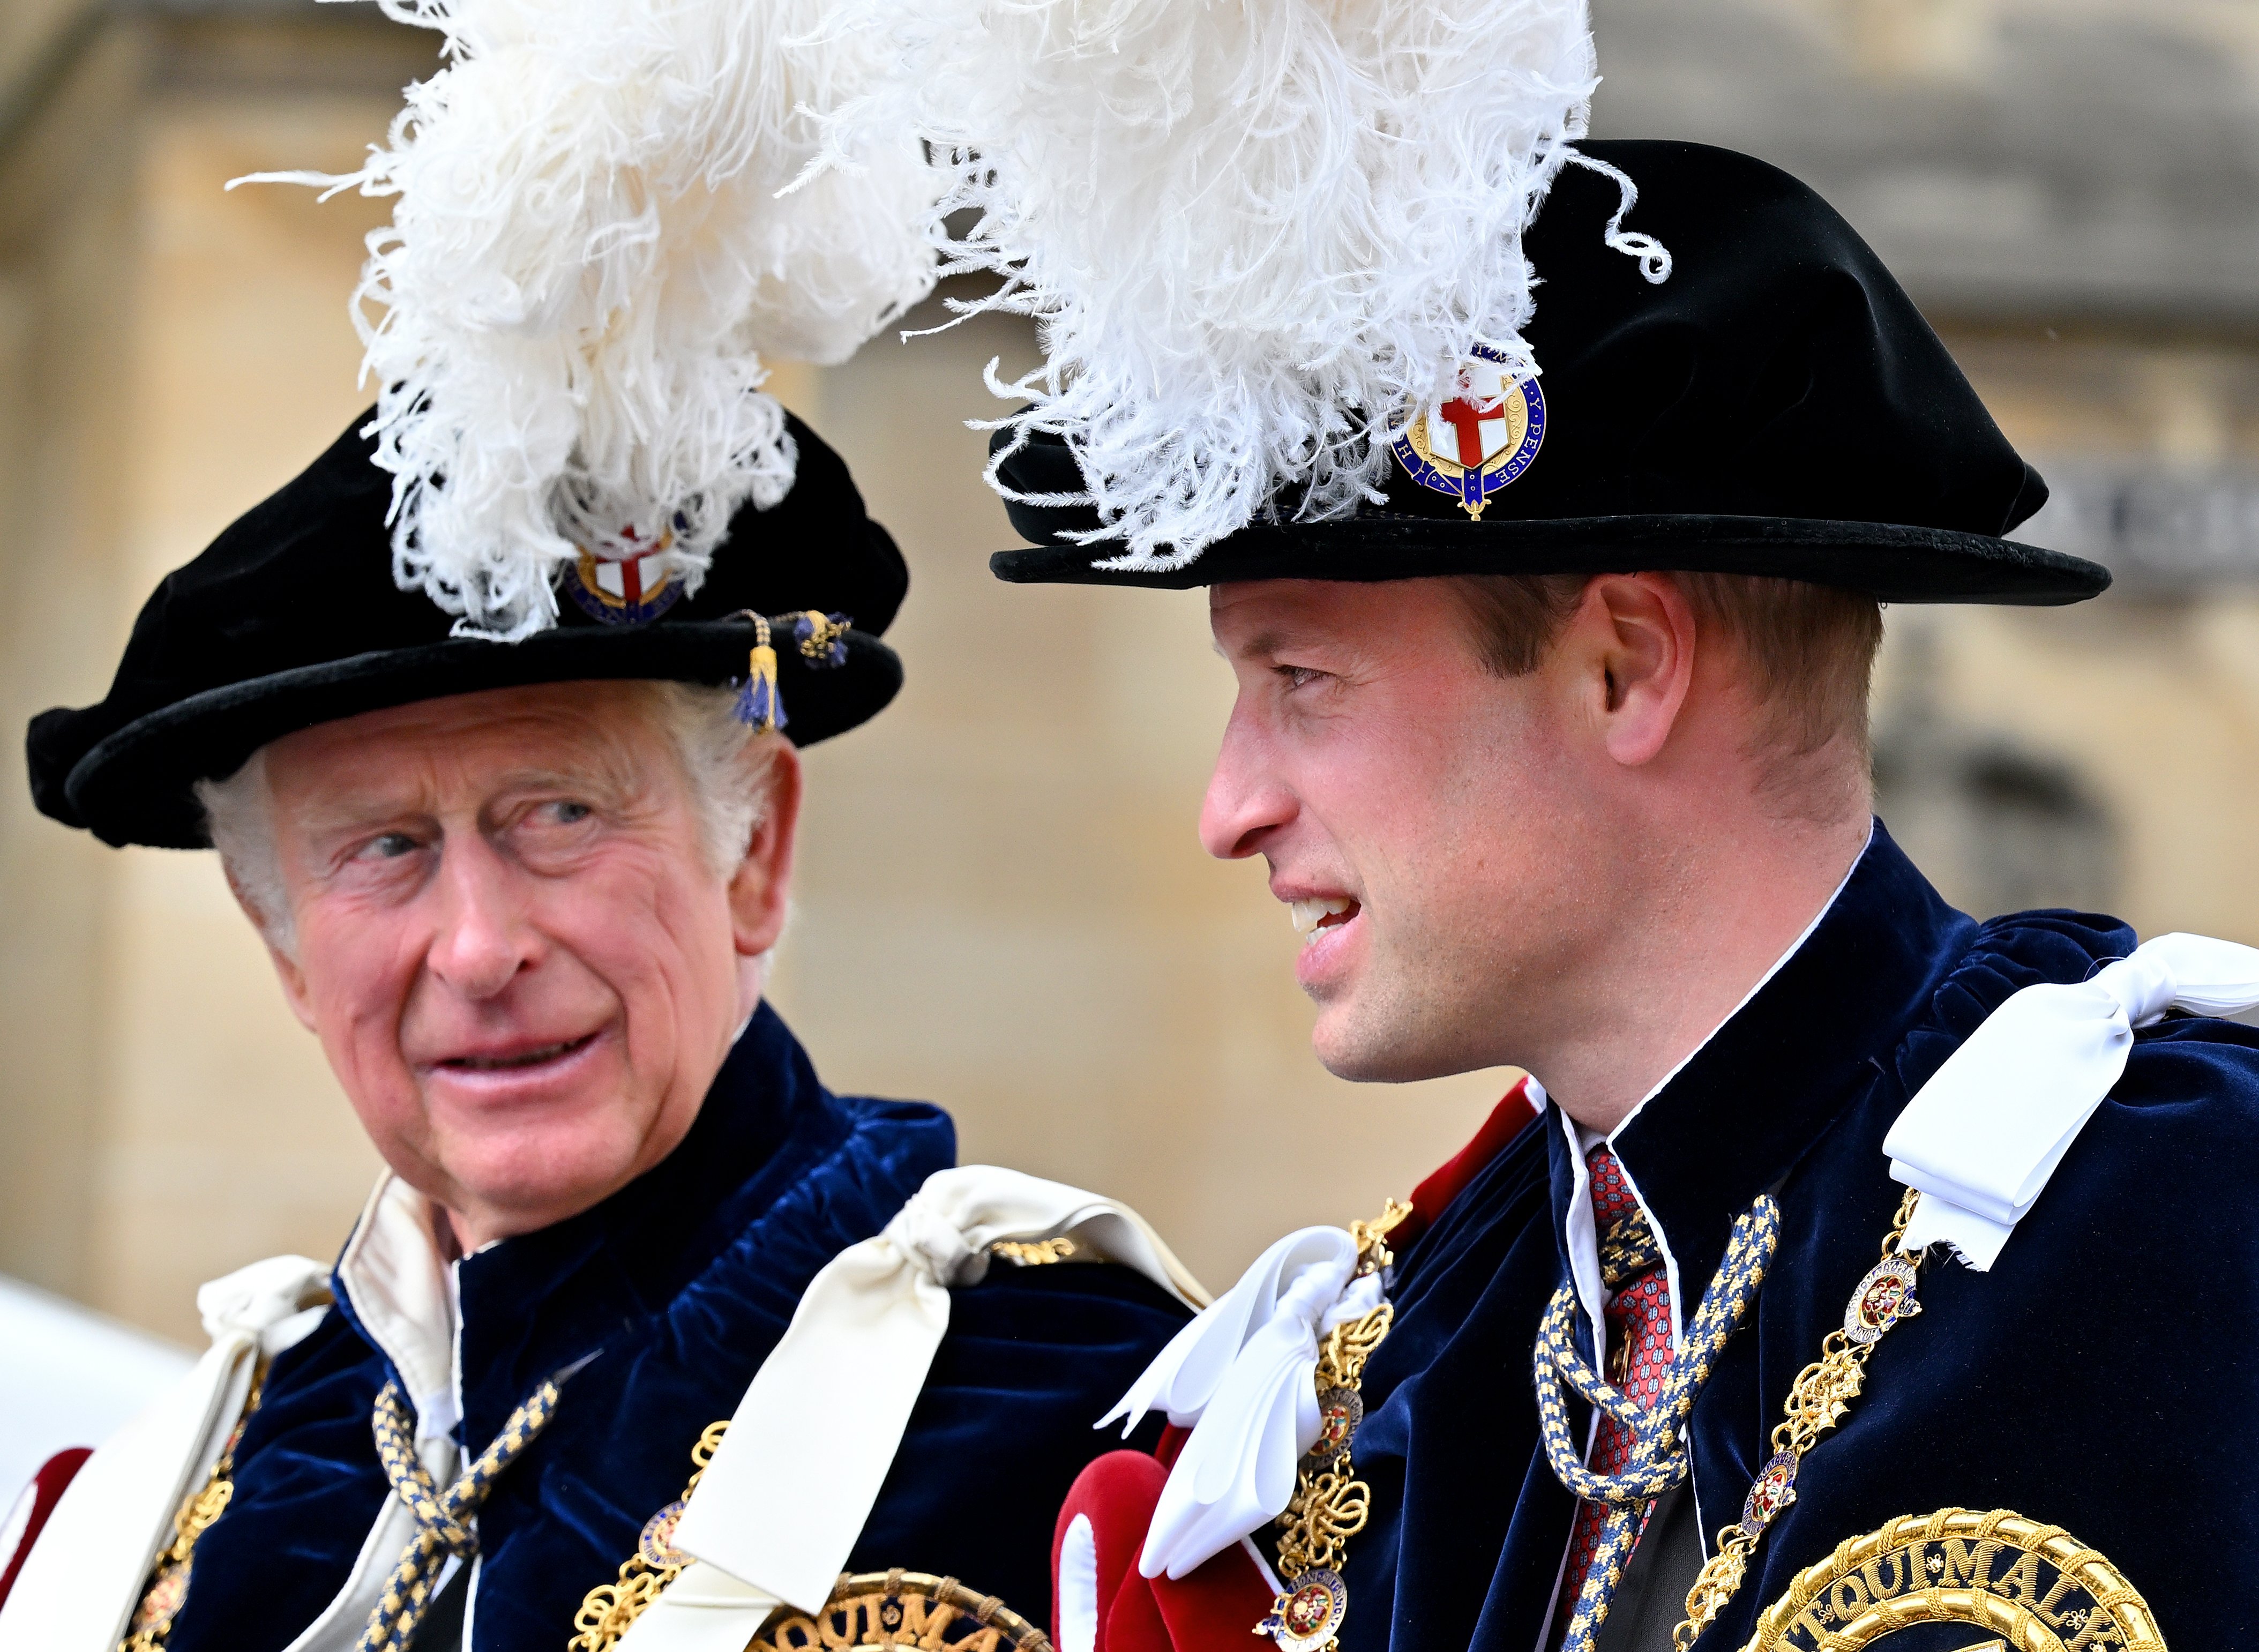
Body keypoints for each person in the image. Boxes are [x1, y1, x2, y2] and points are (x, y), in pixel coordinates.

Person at [865, 5, 2249, 1644]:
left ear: (1621, 667)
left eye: (1304, 683)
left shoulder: (2173, 1219)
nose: (1229, 807)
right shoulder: (1415, 1350)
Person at [0, 5, 1202, 1649]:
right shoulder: (172, 1501)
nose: (483, 946)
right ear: (283, 942)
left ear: (756, 850)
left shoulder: (1070, 1415)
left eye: (557, 811)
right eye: (383, 850)